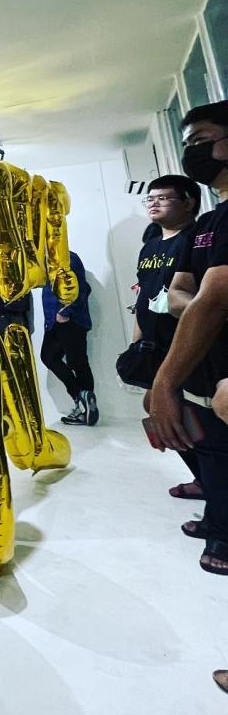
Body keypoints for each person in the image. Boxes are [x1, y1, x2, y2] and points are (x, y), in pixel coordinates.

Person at [150, 101, 228, 577]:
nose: (192, 152)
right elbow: (179, 293)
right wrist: (202, 301)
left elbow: (212, 299)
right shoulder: (209, 225)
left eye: (201, 140)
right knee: (208, 441)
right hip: (206, 357)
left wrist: (165, 380)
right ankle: (219, 517)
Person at [132, 175, 201, 499]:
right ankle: (205, 476)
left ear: (188, 203)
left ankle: (213, 480)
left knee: (198, 412)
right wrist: (136, 343)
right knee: (158, 407)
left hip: (192, 343)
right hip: (155, 345)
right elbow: (143, 297)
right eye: (150, 198)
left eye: (163, 198)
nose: (154, 203)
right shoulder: (150, 246)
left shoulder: (196, 240)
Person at [41, 251, 96, 425]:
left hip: (70, 321)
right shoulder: (47, 262)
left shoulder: (68, 258)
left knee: (78, 363)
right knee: (48, 356)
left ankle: (85, 408)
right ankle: (81, 397)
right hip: (55, 322)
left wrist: (65, 312)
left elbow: (82, 288)